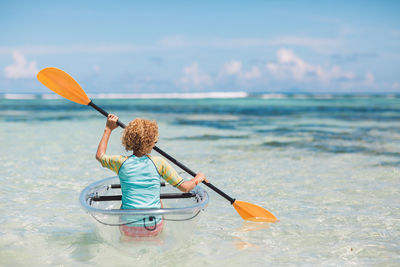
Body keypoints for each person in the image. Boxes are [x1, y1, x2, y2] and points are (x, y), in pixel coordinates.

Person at [96, 114, 208, 238]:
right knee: (158, 201)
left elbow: (100, 156)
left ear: (128, 139)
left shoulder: (120, 162)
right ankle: (157, 240)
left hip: (128, 226)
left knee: (126, 211)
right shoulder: (159, 163)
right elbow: (185, 188)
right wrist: (198, 178)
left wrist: (108, 129)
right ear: (152, 141)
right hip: (153, 226)